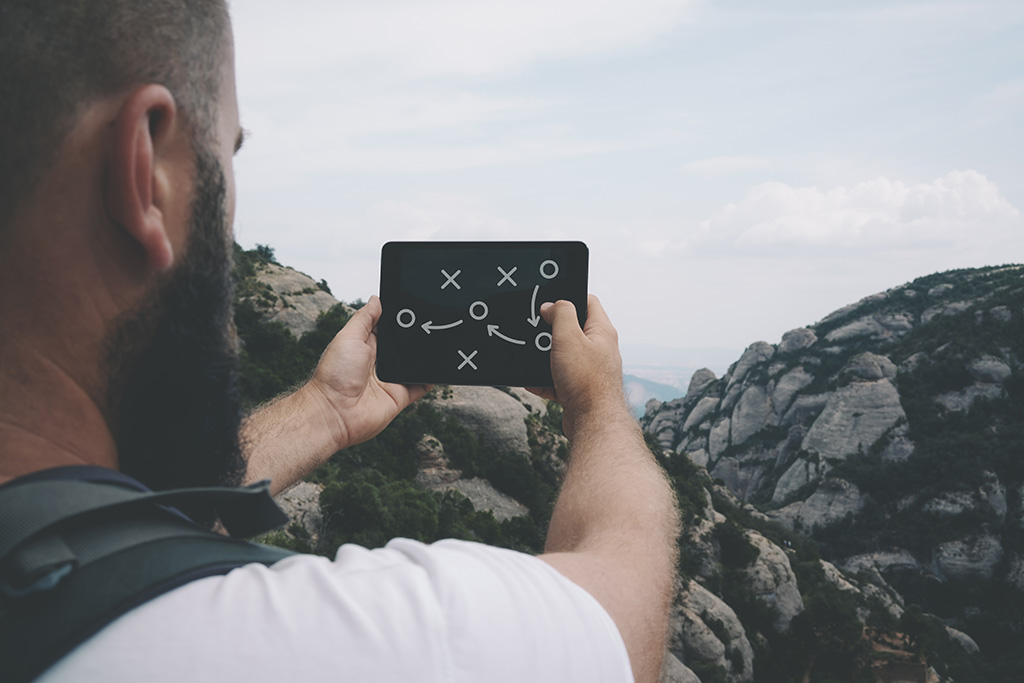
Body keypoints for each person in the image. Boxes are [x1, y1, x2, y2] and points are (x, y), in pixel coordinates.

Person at [0, 2, 681, 681]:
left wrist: (326, 410)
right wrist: (598, 408)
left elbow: (123, 535)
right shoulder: (317, 643)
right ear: (147, 169)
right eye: (228, 152)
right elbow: (626, 606)